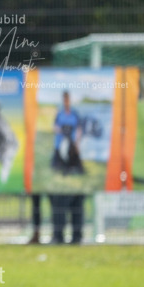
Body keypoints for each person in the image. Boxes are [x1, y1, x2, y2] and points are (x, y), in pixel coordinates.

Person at [49, 92, 84, 244]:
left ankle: (76, 236)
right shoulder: (59, 113)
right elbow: (54, 127)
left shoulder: (74, 114)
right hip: (60, 148)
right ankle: (59, 235)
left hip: (71, 148)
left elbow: (79, 130)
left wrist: (76, 142)